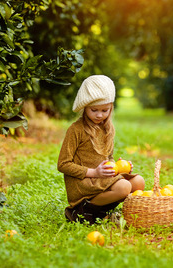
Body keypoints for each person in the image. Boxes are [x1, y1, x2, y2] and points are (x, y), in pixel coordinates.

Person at [57, 75, 145, 224]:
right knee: (124, 187)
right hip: (84, 181)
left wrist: (117, 167)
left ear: (111, 108)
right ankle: (80, 211)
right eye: (94, 110)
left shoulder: (107, 128)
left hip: (100, 178)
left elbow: (107, 157)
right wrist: (94, 172)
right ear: (84, 108)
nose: (99, 115)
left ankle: (108, 213)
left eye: (105, 110)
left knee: (138, 182)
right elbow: (63, 164)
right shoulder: (76, 130)